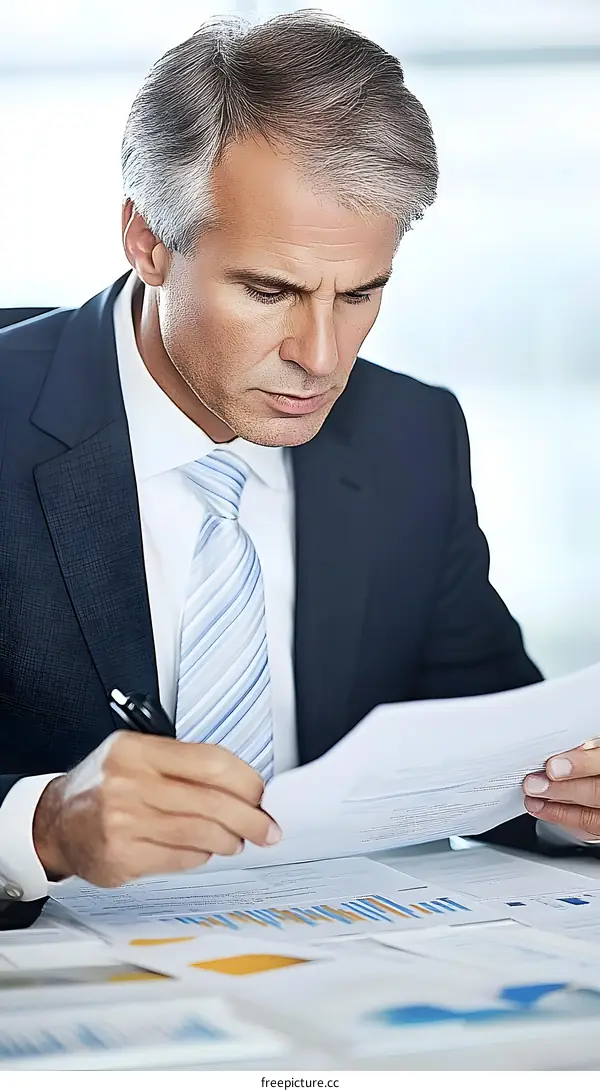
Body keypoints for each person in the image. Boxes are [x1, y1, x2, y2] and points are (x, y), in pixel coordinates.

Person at [0, 12, 594, 931]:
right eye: (269, 291)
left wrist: (576, 797)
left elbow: (502, 751)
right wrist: (35, 827)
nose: (321, 357)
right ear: (148, 240)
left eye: (360, 293)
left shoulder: (411, 435)